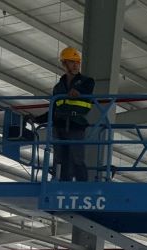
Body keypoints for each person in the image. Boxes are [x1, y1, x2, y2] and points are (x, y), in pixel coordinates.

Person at [39, 47, 94, 182]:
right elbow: (53, 110)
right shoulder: (58, 87)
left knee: (77, 158)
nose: (75, 65)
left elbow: (87, 88)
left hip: (76, 124)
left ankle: (82, 186)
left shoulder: (86, 81)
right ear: (64, 64)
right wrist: (36, 119)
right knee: (59, 159)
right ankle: (61, 184)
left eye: (77, 62)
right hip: (59, 125)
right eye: (72, 62)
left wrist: (78, 91)